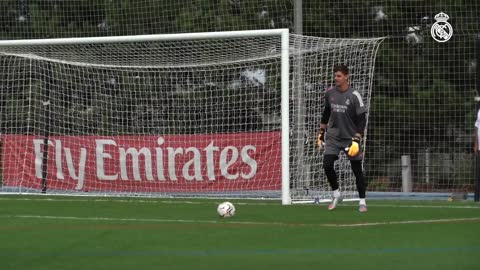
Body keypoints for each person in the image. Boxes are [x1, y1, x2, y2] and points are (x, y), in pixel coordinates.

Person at [317, 64, 368, 212]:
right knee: (327, 164)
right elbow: (326, 113)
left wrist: (357, 139)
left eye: (339, 76)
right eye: (335, 76)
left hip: (351, 138)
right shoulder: (330, 93)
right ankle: (336, 193)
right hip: (333, 136)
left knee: (356, 169)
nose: (336, 78)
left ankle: (362, 202)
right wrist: (321, 134)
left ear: (346, 76)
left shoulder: (354, 95)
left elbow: (362, 119)